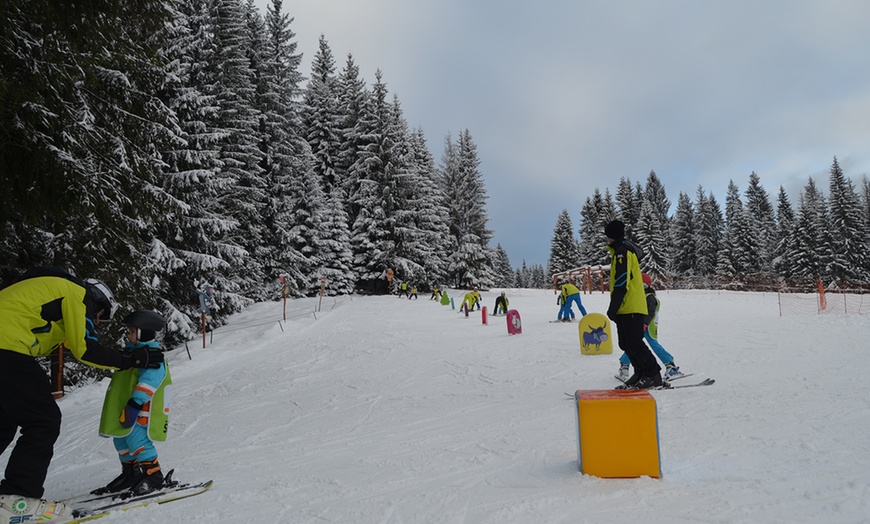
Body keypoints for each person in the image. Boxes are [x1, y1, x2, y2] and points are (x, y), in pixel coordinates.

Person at [0, 267, 164, 522]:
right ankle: (18, 498)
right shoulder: (77, 293)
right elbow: (85, 349)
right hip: (6, 348)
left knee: (5, 421)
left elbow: (48, 334)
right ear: (97, 302)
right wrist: (131, 358)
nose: (96, 322)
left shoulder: (49, 292)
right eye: (100, 316)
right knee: (43, 420)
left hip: (6, 346)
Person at [94, 310, 171, 496]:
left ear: (144, 332)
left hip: (140, 411)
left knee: (138, 441)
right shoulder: (132, 354)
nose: (128, 336)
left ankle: (154, 476)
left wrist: (135, 404)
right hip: (125, 409)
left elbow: (149, 382)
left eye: (132, 332)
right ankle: (130, 473)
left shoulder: (152, 357)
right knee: (120, 440)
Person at [603, 221, 662, 389]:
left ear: (611, 235)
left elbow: (621, 282)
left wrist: (613, 307)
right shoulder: (618, 252)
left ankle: (653, 374)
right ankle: (641, 372)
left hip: (631, 305)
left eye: (607, 235)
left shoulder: (623, 252)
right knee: (626, 343)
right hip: (625, 306)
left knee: (635, 342)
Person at [617, 273, 684, 382]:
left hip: (648, 327)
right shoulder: (639, 296)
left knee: (650, 344)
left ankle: (671, 366)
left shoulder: (650, 297)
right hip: (639, 325)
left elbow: (650, 313)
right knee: (634, 345)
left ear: (647, 285)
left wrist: (644, 324)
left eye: (642, 284)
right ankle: (624, 365)